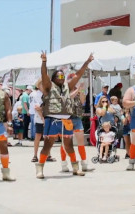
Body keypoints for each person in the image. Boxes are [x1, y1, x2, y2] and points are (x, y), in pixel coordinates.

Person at [35, 51, 93, 179]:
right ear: (54, 78)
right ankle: (40, 168)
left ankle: (75, 168)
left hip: (66, 120)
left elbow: (78, 75)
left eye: (63, 77)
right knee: (47, 145)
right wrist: (44, 61)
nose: (61, 79)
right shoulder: (49, 86)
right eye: (58, 77)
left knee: (69, 145)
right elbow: (44, 74)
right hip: (52, 119)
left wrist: (87, 62)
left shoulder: (68, 86)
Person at [60, 73, 94, 172]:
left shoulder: (77, 89)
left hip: (77, 118)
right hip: (67, 119)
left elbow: (82, 100)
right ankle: (64, 164)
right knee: (65, 143)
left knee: (81, 142)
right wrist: (78, 89)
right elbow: (68, 98)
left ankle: (84, 163)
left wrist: (82, 90)